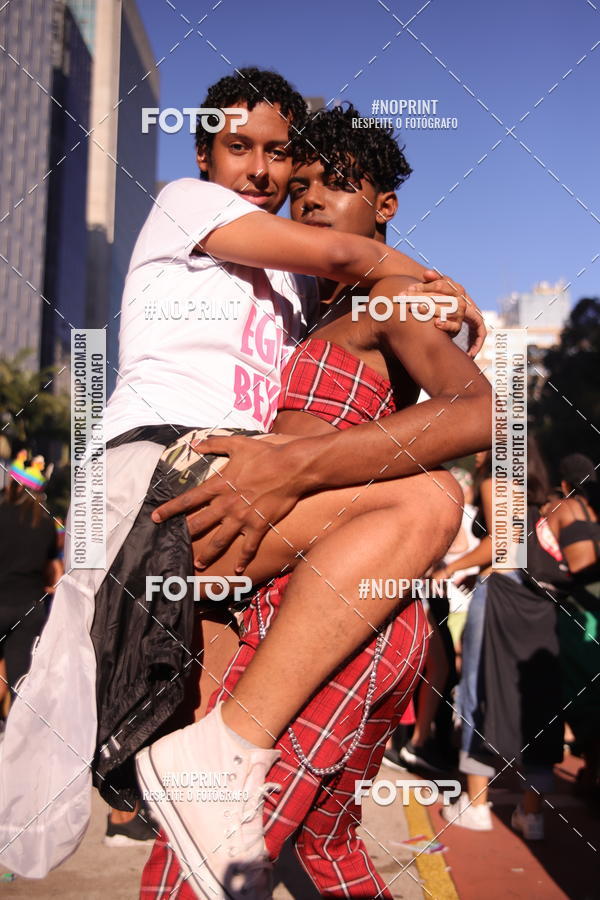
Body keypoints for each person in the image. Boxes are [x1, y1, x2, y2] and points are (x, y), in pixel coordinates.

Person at [0, 67, 482, 881]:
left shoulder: (302, 296)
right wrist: (422, 278)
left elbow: (361, 302)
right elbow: (344, 249)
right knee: (434, 497)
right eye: (239, 147)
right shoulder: (188, 205)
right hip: (163, 468)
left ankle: (216, 763)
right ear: (203, 153)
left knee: (232, 827)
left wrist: (402, 299)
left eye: (279, 157)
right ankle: (222, 753)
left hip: (240, 515)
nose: (263, 172)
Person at [137, 101, 492, 898]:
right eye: (301, 191)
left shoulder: (391, 302)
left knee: (204, 853)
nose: (313, 201)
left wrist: (298, 464)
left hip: (348, 613)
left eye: (338, 184)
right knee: (325, 849)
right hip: (296, 596)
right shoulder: (313, 307)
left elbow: (484, 412)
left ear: (385, 206)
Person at [441, 437, 566, 840]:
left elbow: (500, 544)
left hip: (500, 596)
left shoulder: (496, 479)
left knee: (479, 689)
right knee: (538, 698)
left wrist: (451, 569)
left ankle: (475, 805)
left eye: (482, 443)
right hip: (542, 603)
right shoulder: (542, 498)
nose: (476, 450)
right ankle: (531, 816)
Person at [544, 453, 600, 801]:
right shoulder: (594, 513)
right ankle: (591, 773)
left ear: (565, 484)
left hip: (582, 613)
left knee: (581, 696)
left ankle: (594, 775)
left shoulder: (564, 509)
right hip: (591, 610)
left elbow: (579, 570)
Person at [0, 457, 62, 698]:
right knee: (21, 680)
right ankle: (19, 731)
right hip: (29, 608)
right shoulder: (46, 523)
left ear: (13, 485)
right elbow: (51, 569)